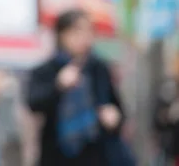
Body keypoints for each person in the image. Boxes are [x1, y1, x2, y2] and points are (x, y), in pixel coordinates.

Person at [26, 9, 132, 166]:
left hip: (97, 154)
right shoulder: (47, 70)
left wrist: (114, 116)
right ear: (62, 35)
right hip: (57, 156)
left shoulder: (98, 68)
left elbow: (117, 108)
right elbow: (34, 104)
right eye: (77, 31)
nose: (84, 38)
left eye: (89, 31)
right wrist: (59, 85)